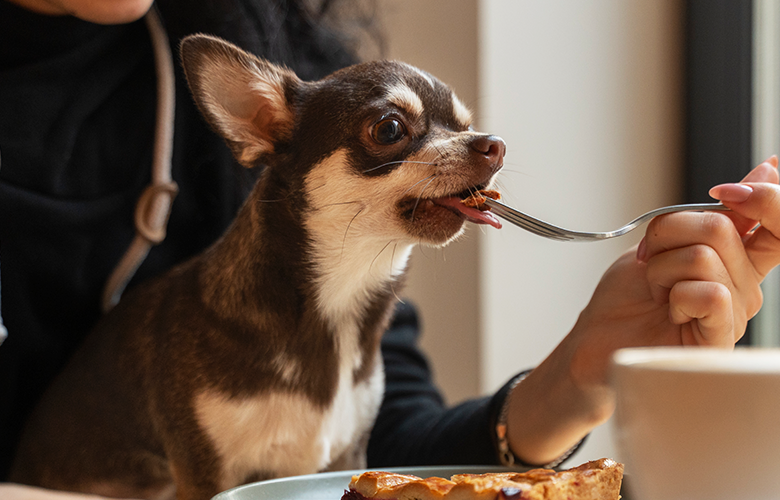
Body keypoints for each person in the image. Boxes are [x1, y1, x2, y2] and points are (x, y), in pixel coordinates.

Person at [3, 0, 780, 498]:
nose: (478, 148)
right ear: (263, 128)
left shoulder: (245, 24)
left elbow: (384, 458)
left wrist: (580, 369)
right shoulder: (202, 330)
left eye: (460, 127)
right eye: (389, 132)